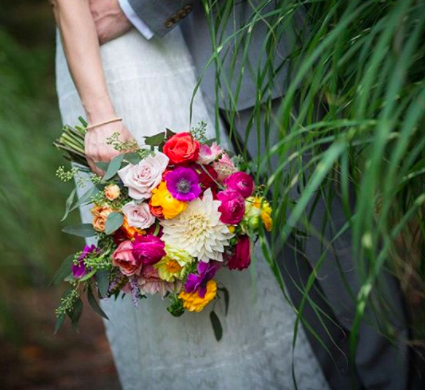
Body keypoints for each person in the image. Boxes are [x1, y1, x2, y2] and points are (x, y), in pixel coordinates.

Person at [82, 1, 420, 390]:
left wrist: (136, 9)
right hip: (190, 76)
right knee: (288, 263)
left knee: (331, 241)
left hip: (258, 54)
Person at [52, 0, 331, 389]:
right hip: (108, 63)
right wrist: (102, 117)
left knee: (204, 201)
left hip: (166, 46)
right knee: (145, 217)